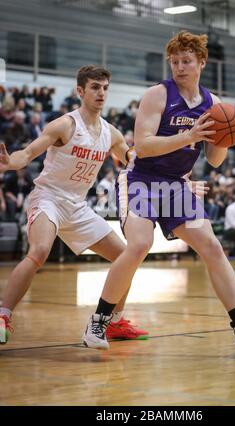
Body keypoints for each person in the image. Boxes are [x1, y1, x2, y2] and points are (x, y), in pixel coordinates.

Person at [88, 31, 235, 355]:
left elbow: (216, 160)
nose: (179, 67)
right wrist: (189, 134)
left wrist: (223, 136)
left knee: (212, 247)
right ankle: (100, 320)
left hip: (177, 184)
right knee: (139, 245)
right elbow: (143, 147)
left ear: (201, 62)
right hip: (141, 180)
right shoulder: (157, 95)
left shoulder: (213, 104)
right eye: (174, 61)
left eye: (186, 61)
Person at [0, 65, 148, 346]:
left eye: (104, 87)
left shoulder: (111, 132)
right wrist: (10, 162)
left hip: (78, 206)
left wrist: (152, 156)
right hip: (49, 198)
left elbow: (128, 157)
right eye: (94, 87)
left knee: (127, 258)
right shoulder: (64, 125)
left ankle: (114, 323)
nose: (101, 92)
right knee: (40, 251)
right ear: (80, 91)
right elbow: (29, 153)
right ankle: (3, 315)